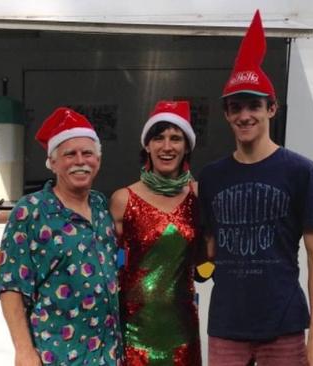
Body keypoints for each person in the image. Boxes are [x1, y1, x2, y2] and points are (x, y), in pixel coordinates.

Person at [197, 10, 313, 366]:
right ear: (226, 114)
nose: (245, 115)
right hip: (227, 326)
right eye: (236, 107)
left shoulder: (299, 171)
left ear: (272, 108)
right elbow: (208, 249)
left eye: (254, 105)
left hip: (284, 324)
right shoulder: (211, 178)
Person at [0, 107, 123, 366]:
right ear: (52, 162)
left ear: (98, 159)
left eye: (87, 153)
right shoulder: (30, 210)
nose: (80, 161)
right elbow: (11, 287)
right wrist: (24, 351)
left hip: (107, 355)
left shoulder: (100, 206)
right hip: (56, 355)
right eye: (69, 154)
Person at [109, 100, 202, 365]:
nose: (167, 146)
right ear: (147, 145)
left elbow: (210, 251)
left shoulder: (198, 195)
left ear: (186, 147)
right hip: (134, 332)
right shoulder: (122, 200)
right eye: (158, 137)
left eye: (176, 138)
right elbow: (106, 263)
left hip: (182, 331)